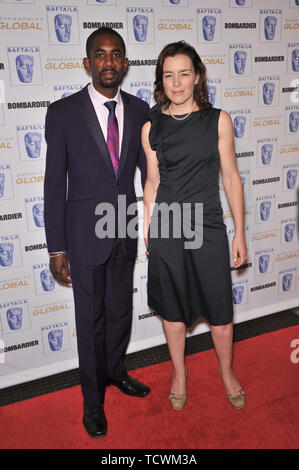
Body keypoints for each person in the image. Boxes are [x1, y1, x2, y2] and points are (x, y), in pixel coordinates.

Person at [44, 27, 150, 438]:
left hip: (123, 228)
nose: (109, 62)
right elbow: (55, 184)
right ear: (88, 63)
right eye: (100, 55)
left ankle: (115, 371)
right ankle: (93, 400)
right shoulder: (63, 112)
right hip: (82, 237)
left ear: (125, 63)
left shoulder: (141, 110)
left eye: (116, 54)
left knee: (121, 313)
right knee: (90, 321)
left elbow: (150, 174)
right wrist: (57, 247)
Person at [142, 41, 247, 411]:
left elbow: (232, 178)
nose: (176, 82)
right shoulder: (151, 126)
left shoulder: (218, 120)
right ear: (161, 80)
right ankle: (179, 374)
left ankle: (227, 372)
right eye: (168, 75)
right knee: (172, 312)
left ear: (197, 76)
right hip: (168, 226)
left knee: (220, 311)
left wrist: (240, 232)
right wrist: (148, 228)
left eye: (184, 73)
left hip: (208, 224)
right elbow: (152, 183)